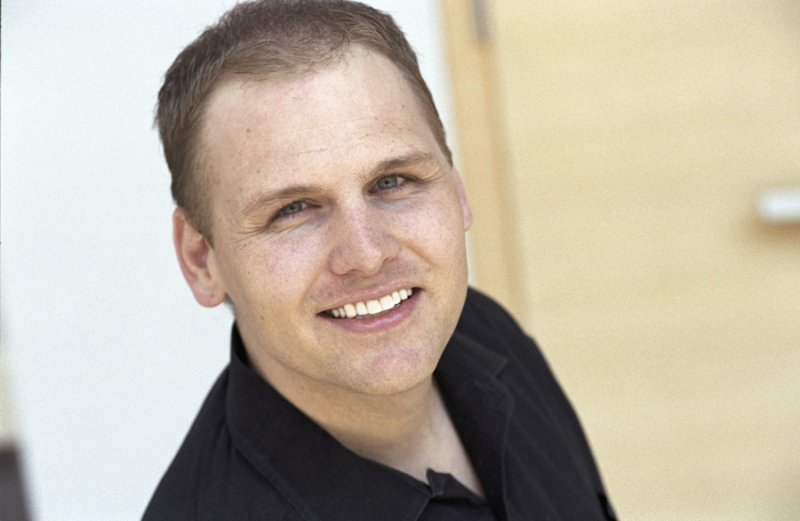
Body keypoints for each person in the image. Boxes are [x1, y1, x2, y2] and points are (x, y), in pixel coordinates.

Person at [144, 1, 617, 519]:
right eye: (293, 209)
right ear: (200, 260)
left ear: (456, 190)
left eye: (392, 181)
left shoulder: (481, 330)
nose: (367, 256)